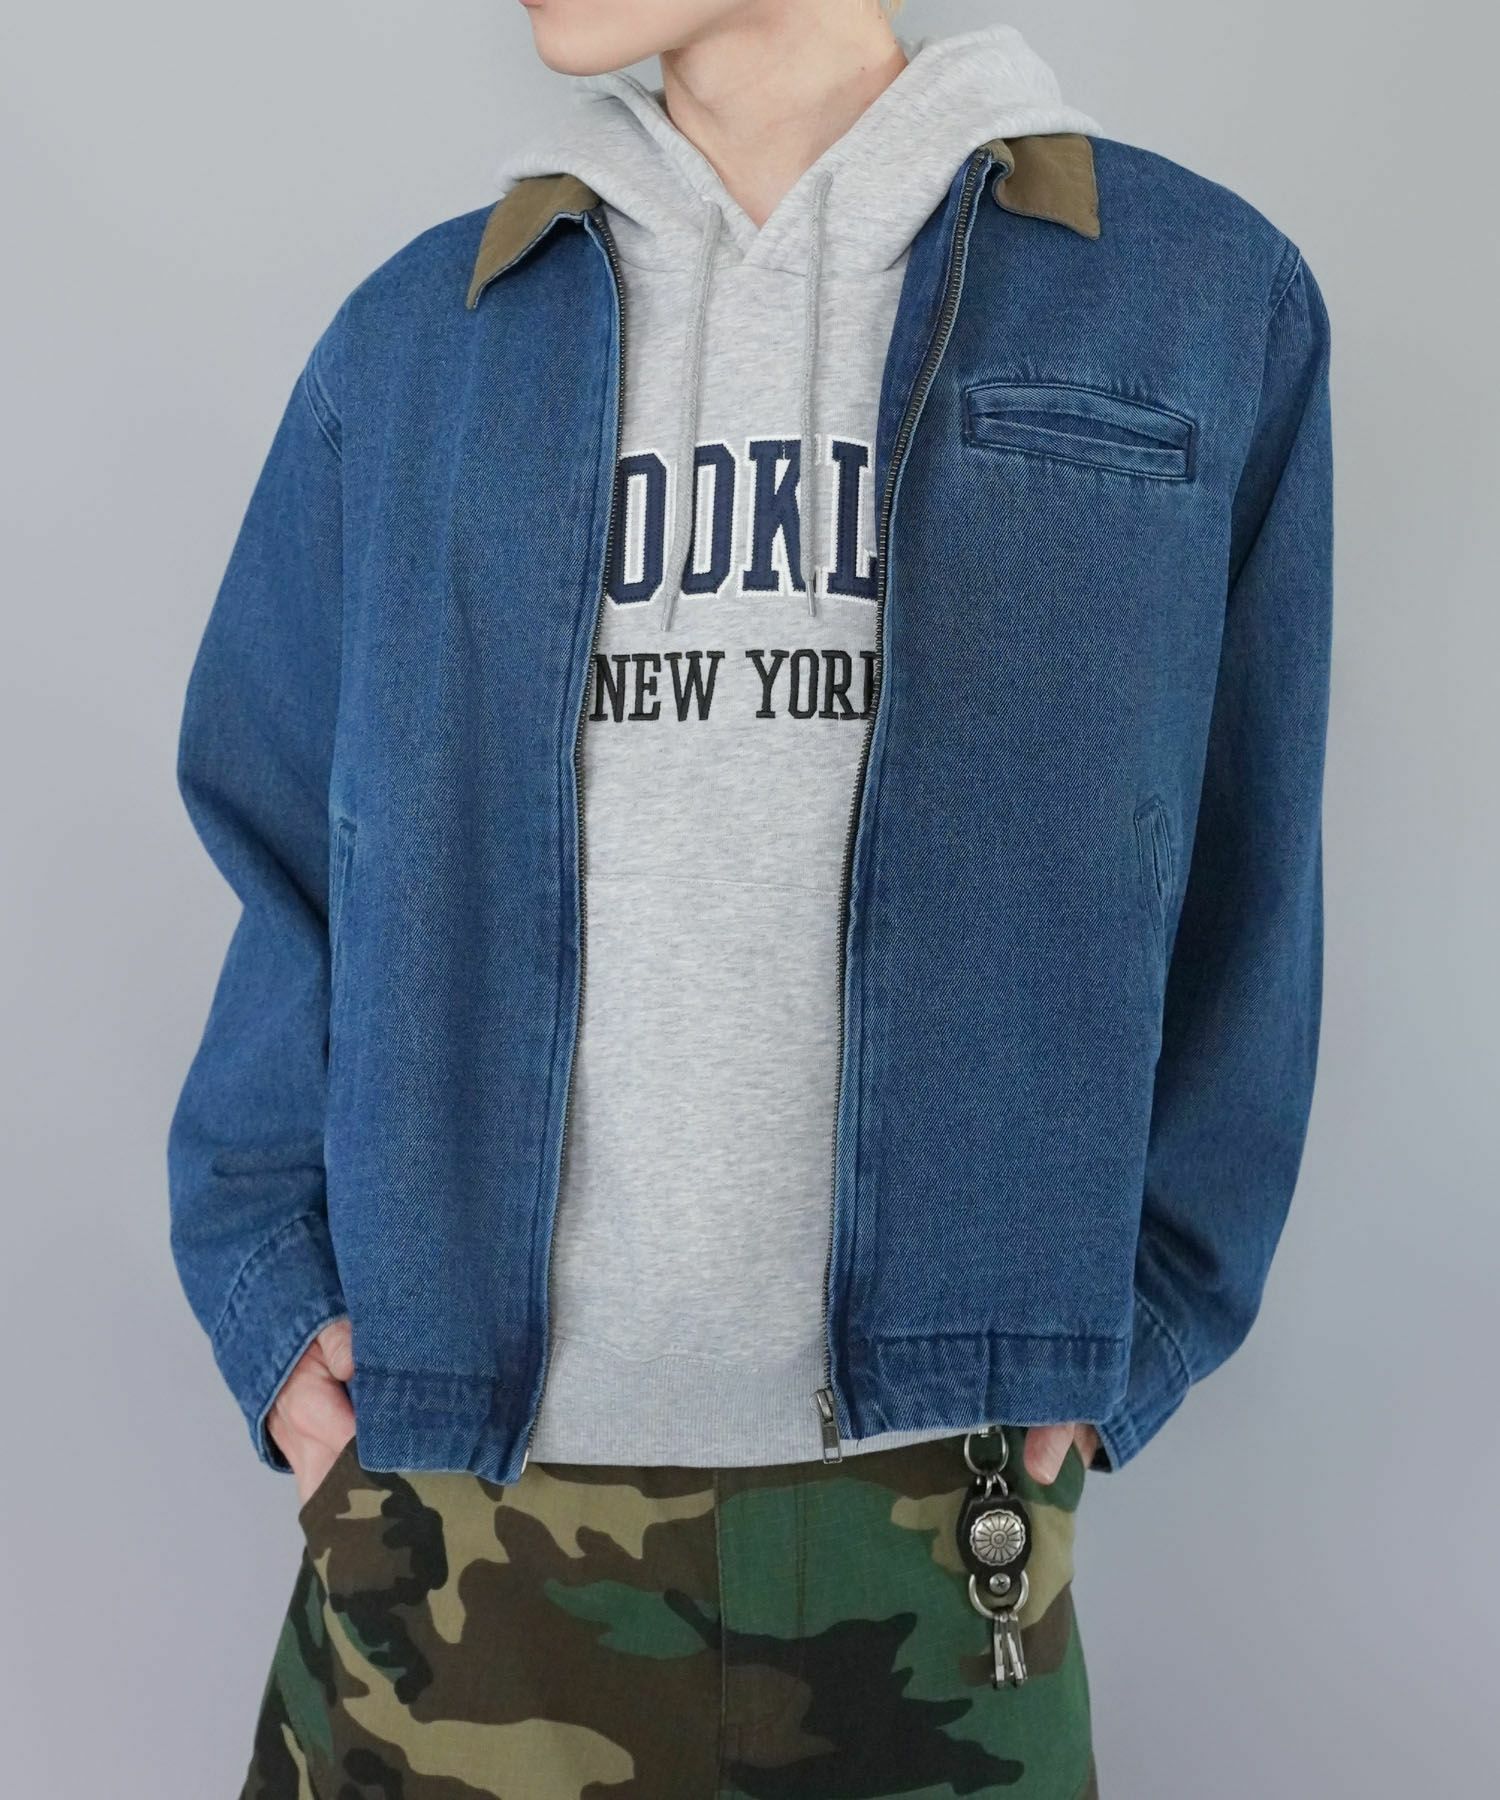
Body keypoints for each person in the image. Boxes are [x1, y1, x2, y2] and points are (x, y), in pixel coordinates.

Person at [167, 1, 1333, 1793]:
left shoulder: (1192, 296)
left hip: (940, 1523)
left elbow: (1249, 866)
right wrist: (269, 1289)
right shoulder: (420, 342)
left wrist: (1146, 1317)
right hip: (452, 1501)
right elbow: (281, 835)